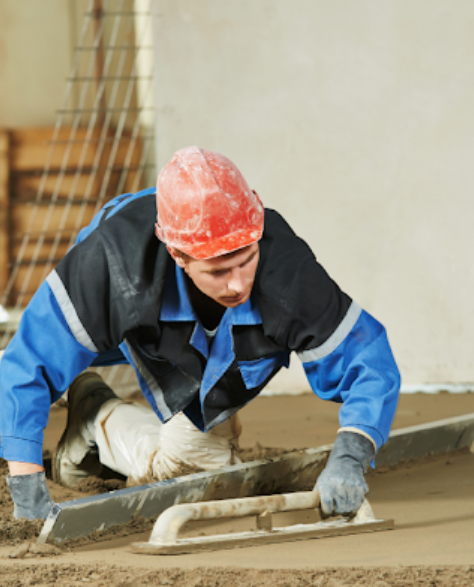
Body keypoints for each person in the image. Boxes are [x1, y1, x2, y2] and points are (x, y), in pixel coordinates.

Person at [0, 146, 400, 521]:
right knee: (11, 373)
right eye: (218, 271)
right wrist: (27, 489)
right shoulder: (109, 265)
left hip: (207, 350)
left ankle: (95, 411)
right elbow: (26, 367)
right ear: (178, 254)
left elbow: (367, 360)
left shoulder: (287, 272)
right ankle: (90, 405)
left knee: (198, 470)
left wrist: (351, 454)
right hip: (130, 324)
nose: (238, 285)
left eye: (246, 260)